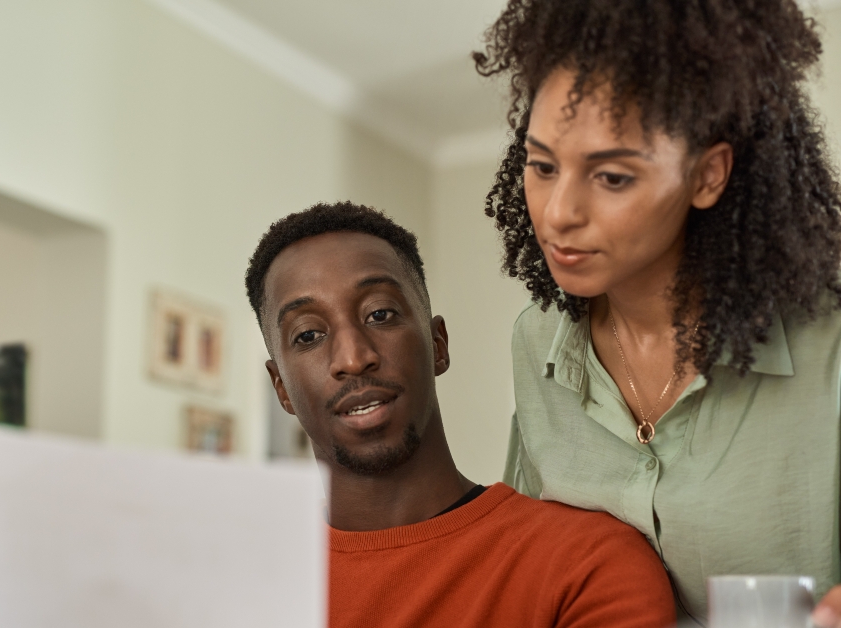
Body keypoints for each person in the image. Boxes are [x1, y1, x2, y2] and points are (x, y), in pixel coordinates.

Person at [473, 0, 841, 623]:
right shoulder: (538, 342)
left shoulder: (827, 342)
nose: (559, 212)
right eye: (541, 165)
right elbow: (539, 560)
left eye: (611, 177)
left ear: (707, 175)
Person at [245, 202, 675, 628]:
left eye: (380, 314)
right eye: (308, 335)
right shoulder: (245, 582)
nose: (353, 358)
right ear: (281, 387)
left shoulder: (584, 564)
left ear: (438, 345)